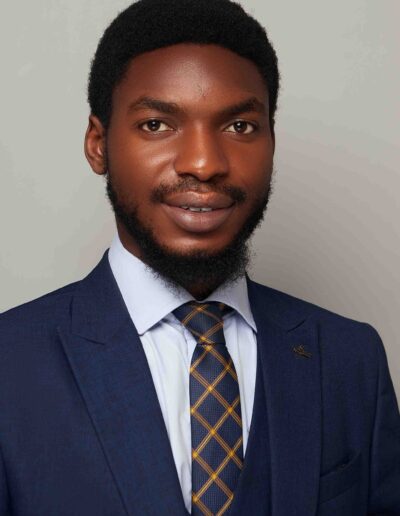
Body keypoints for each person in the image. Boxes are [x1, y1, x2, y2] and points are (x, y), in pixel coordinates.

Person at [0, 0, 399, 514]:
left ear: (272, 140)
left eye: (240, 127)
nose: (205, 164)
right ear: (98, 144)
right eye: (156, 125)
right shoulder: (10, 363)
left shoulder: (350, 358)